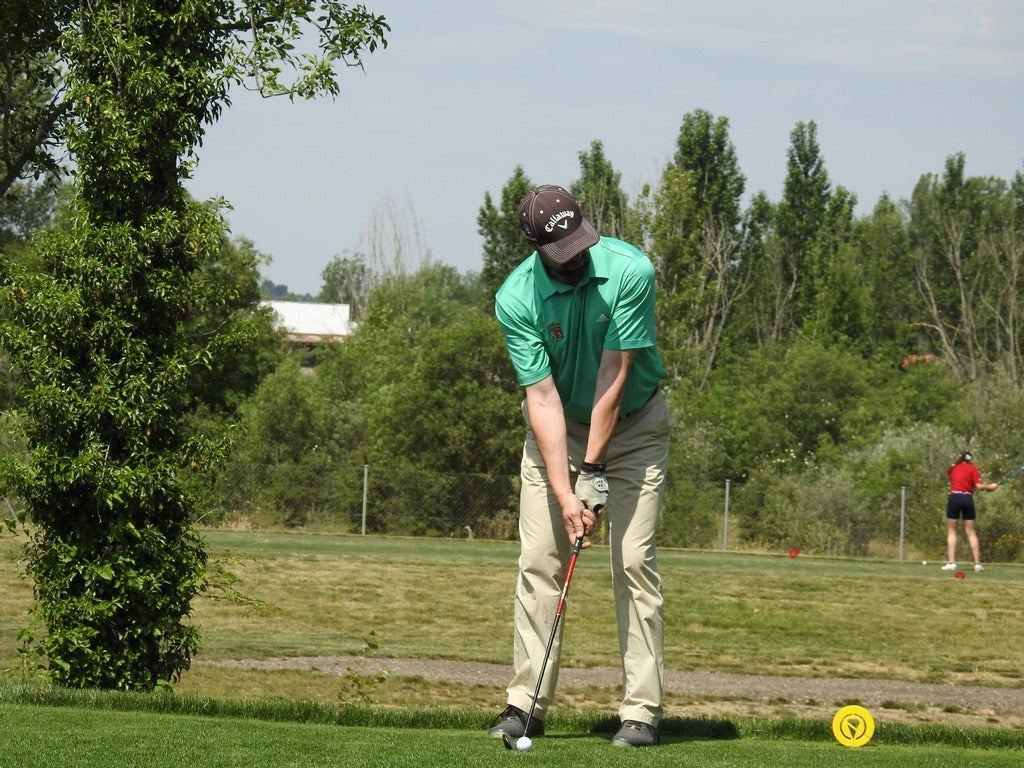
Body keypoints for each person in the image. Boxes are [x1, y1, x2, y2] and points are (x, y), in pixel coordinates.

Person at [487, 184, 670, 748]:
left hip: (634, 425)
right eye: (561, 247)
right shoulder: (516, 298)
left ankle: (640, 711)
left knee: (633, 561)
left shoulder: (630, 270)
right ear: (535, 246)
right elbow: (540, 398)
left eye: (579, 240)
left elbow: (613, 375)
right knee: (540, 559)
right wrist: (568, 493)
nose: (576, 254)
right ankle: (526, 705)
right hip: (557, 431)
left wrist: (592, 470)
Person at [942, 451, 998, 572]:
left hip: (954, 497)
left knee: (952, 531)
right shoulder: (973, 468)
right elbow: (978, 486)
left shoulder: (953, 468)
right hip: (967, 498)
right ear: (970, 460)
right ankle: (977, 564)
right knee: (971, 532)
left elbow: (959, 482)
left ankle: (951, 563)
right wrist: (990, 487)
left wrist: (984, 488)